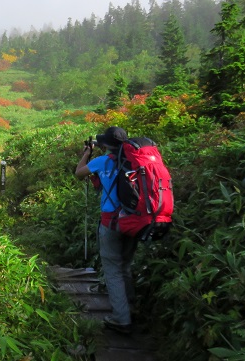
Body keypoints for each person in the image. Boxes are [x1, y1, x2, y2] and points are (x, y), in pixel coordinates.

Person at [75, 126, 138, 335]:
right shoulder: (135, 161)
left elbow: (78, 173)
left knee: (112, 270)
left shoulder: (102, 161)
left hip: (111, 222)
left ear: (105, 145)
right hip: (134, 221)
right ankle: (130, 309)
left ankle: (121, 319)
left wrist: (86, 154)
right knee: (125, 266)